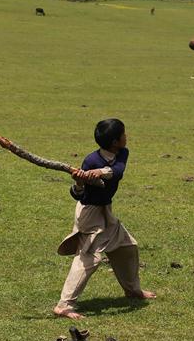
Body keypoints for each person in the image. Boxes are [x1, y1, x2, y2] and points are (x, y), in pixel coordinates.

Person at [53, 118, 156, 319]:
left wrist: (100, 173)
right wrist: (80, 183)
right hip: (90, 213)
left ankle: (132, 290)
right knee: (89, 257)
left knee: (127, 246)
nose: (127, 137)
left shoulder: (122, 153)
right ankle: (64, 305)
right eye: (124, 135)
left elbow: (117, 172)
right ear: (115, 141)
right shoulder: (91, 160)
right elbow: (79, 195)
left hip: (105, 210)